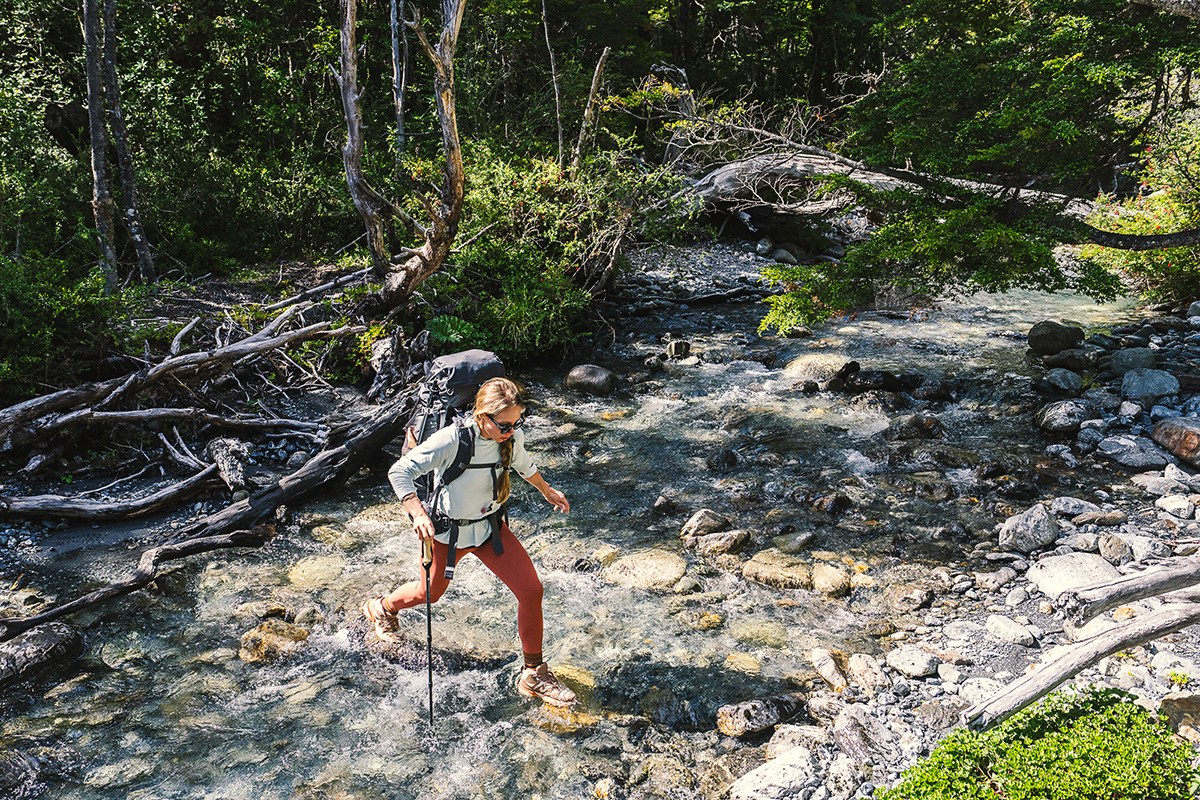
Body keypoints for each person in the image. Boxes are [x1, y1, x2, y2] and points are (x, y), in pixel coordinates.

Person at [362, 377, 577, 707]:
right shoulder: (453, 439)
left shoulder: (510, 437)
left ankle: (533, 673)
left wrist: (546, 489)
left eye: (516, 423)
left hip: (490, 529)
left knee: (532, 590)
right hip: (449, 532)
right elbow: (399, 471)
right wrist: (418, 513)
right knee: (428, 593)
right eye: (504, 425)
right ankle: (382, 607)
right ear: (482, 417)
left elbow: (523, 465)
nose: (511, 430)